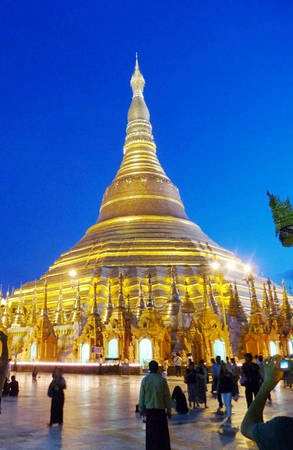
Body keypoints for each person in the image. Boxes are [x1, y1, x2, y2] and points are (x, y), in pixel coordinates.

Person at [241, 354, 293, 449]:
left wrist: (267, 384)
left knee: (251, 401)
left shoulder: (283, 429)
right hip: (253, 385)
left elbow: (247, 427)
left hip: (253, 386)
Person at [138, 360, 172, 450]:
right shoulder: (162, 380)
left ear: (149, 369)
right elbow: (167, 397)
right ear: (158, 368)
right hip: (160, 411)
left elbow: (142, 396)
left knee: (151, 434)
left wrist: (141, 409)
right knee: (162, 434)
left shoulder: (145, 380)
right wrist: (169, 410)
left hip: (150, 411)